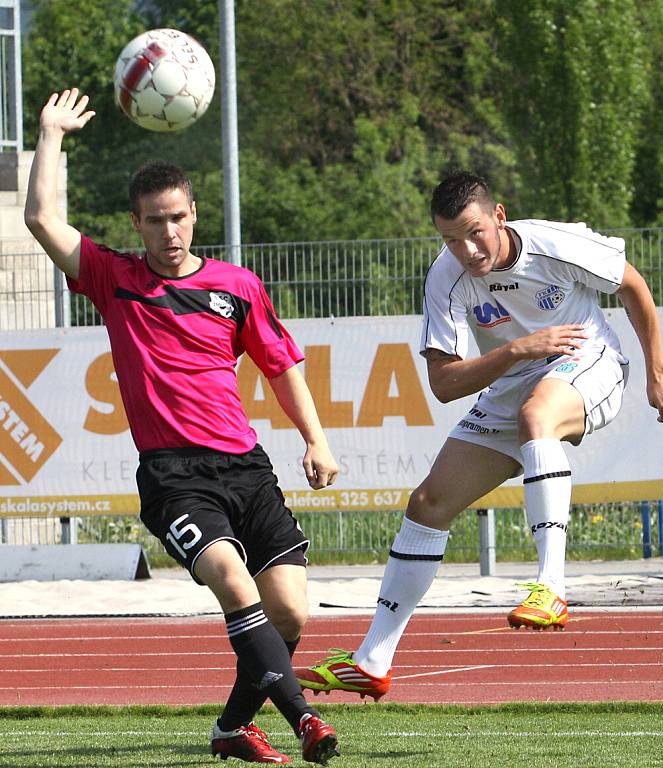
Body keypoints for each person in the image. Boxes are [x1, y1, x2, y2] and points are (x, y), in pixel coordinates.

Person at [24, 88, 341, 766]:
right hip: (175, 477)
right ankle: (305, 719)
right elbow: (42, 218)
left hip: (246, 468)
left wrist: (316, 438)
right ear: (134, 225)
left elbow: (281, 365)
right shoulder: (116, 279)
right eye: (153, 221)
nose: (169, 233)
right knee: (234, 582)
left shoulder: (237, 285)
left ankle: (231, 727)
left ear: (194, 214)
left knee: (290, 613)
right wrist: (49, 134)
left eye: (178, 218)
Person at [295, 169, 663, 701]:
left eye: (474, 231)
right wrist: (517, 351)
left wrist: (658, 371)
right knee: (428, 503)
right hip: (514, 379)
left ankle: (552, 587)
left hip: (586, 358)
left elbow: (632, 285)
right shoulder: (445, 276)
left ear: (498, 216)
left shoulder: (553, 245)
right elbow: (443, 383)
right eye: (451, 239)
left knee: (537, 414)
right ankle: (371, 661)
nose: (467, 249)